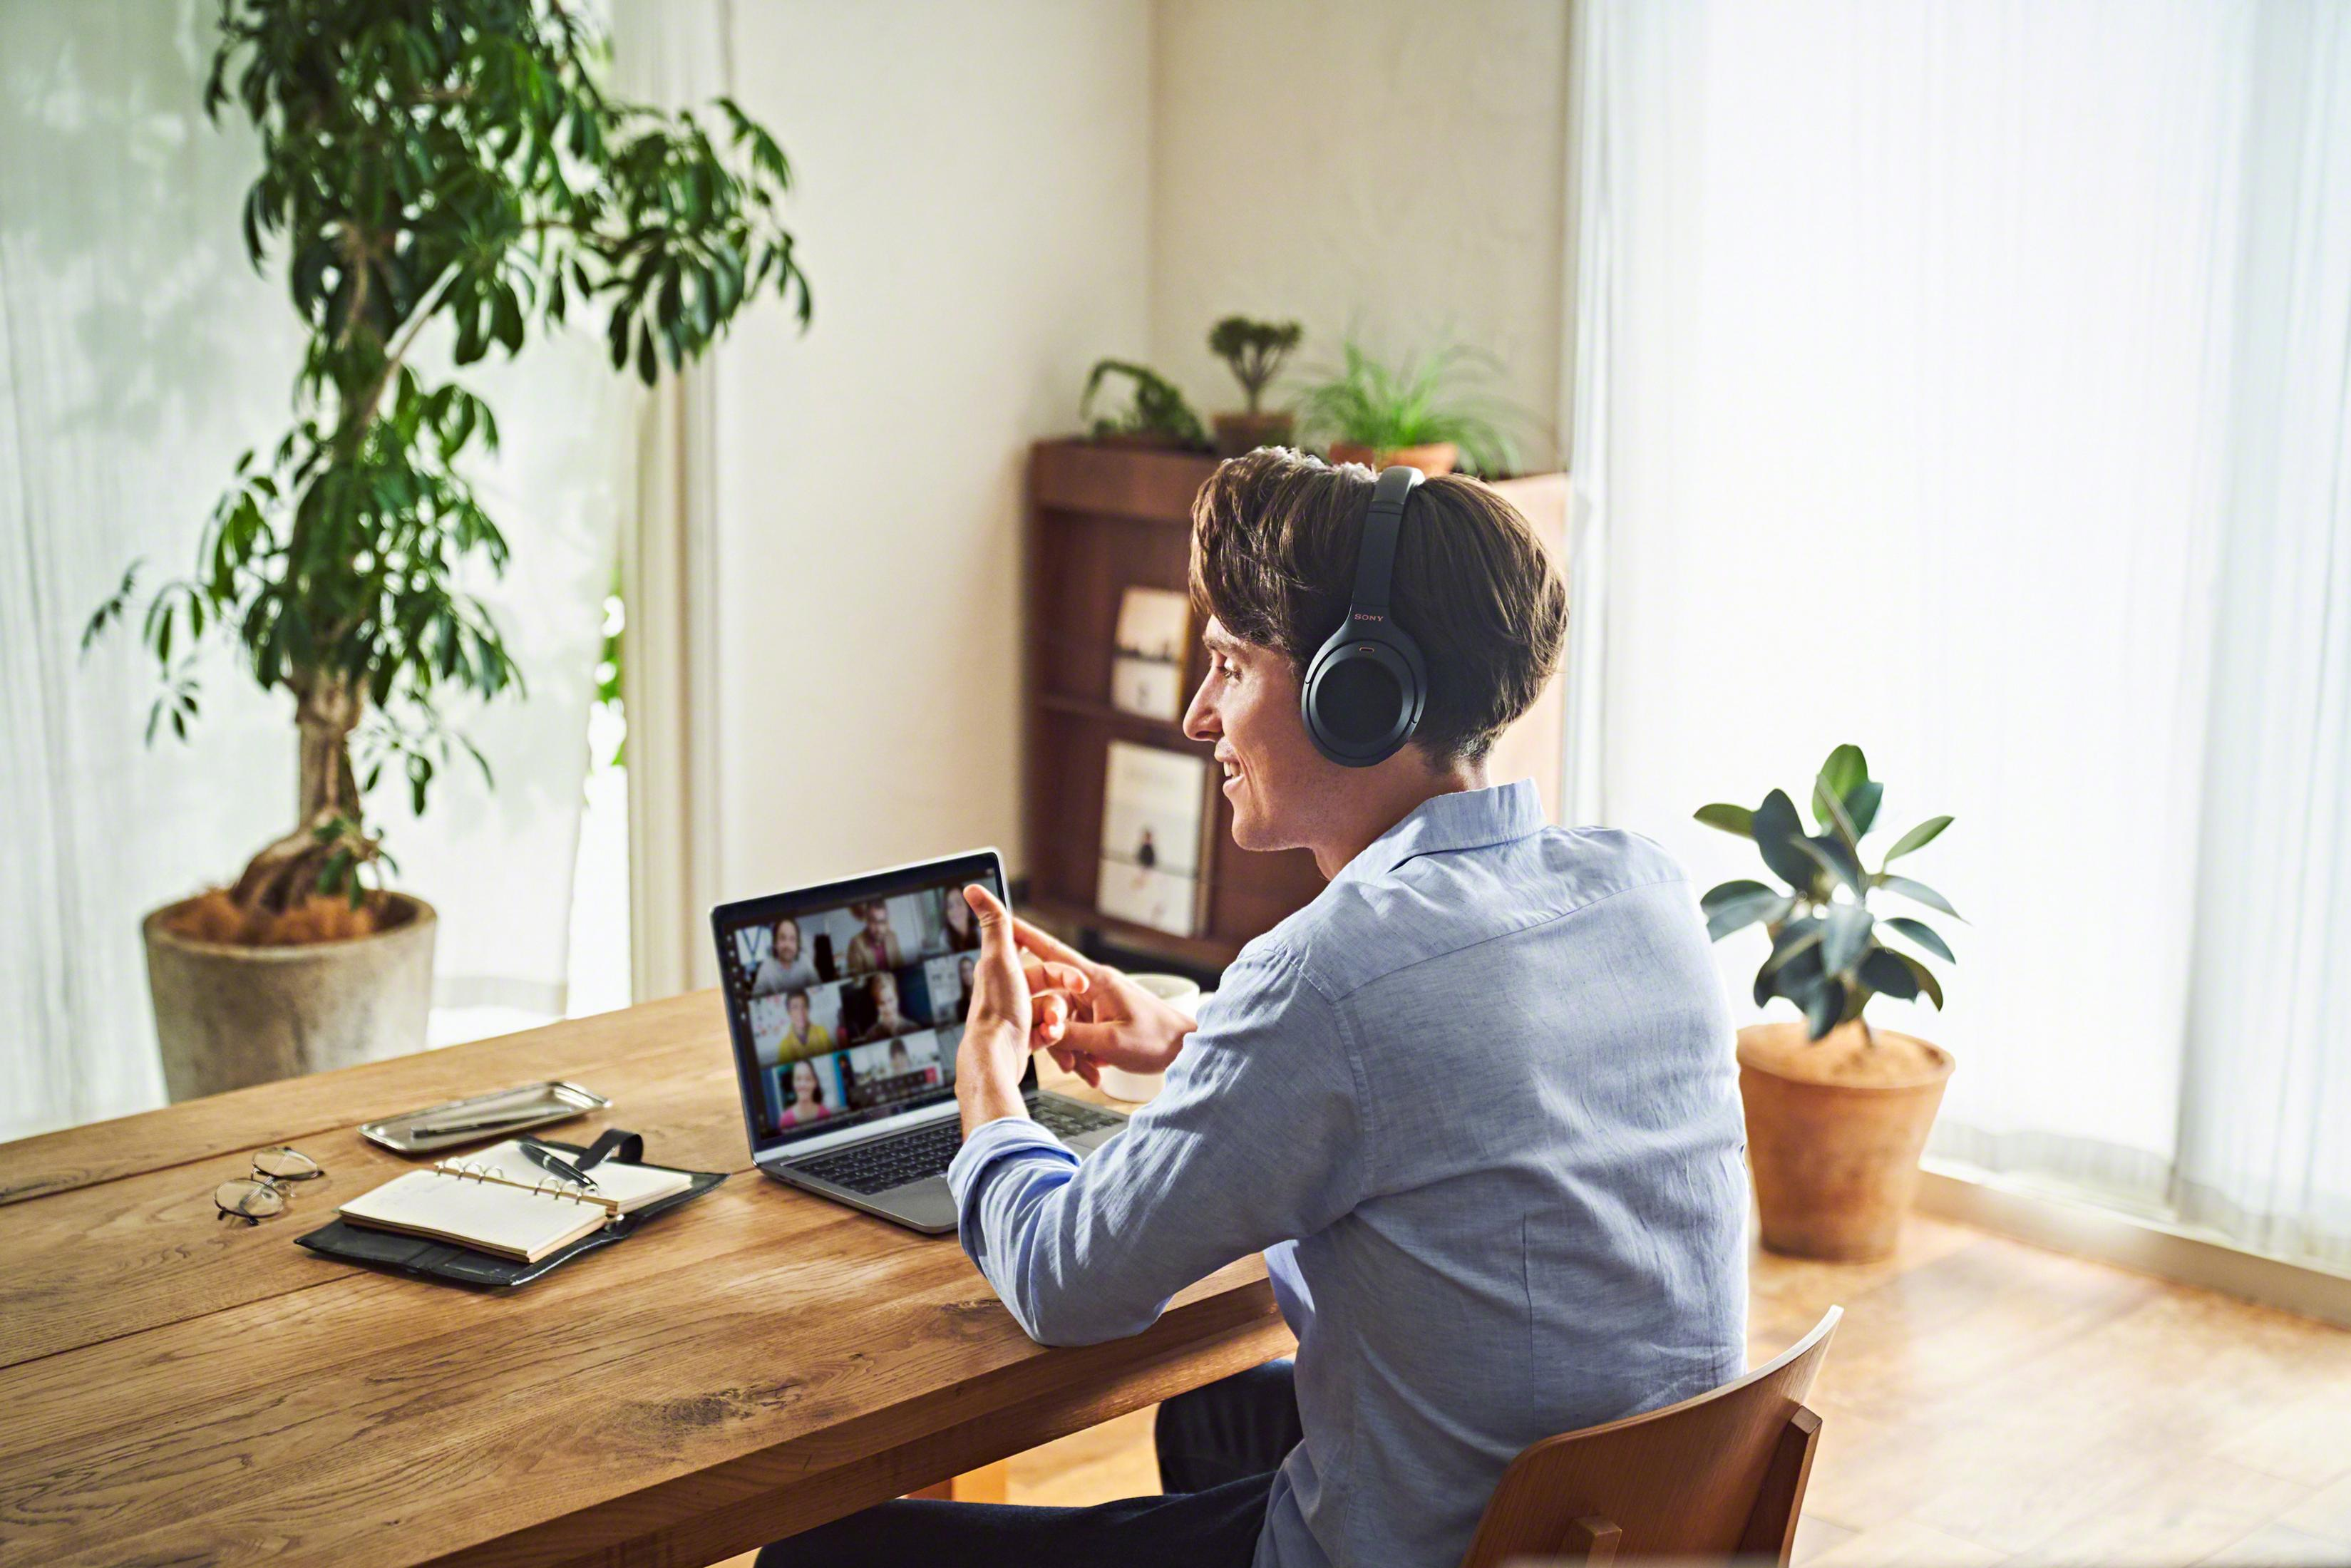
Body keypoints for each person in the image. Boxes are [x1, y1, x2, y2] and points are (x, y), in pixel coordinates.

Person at [758, 450, 1746, 1568]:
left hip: (1439, 1551)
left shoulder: (1328, 979)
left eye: (1228, 664)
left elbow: (1062, 1279)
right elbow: (1458, 1079)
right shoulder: (1641, 887)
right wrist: (1193, 1038)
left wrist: (987, 1086)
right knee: (1218, 1417)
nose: (1196, 716)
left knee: (826, 1559)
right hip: (1620, 1525)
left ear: (1359, 692)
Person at [751, 917, 818, 995]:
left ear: (797, 944)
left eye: (792, 939)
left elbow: (819, 988)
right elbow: (756, 998)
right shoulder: (766, 967)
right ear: (775, 943)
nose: (787, 945)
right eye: (783, 938)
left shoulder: (805, 960)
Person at [853, 971, 922, 1043]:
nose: (888, 1008)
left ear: (897, 999)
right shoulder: (870, 1035)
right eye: (882, 1003)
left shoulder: (914, 1029)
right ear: (877, 1006)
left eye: (890, 1000)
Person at [844, 900, 906, 975]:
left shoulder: (892, 937)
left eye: (882, 922)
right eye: (874, 921)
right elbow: (857, 981)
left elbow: (901, 968)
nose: (879, 928)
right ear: (867, 921)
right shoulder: (856, 944)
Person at [776, 988, 832, 1061]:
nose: (801, 1013)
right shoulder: (784, 1046)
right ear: (789, 1013)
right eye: (795, 1007)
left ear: (809, 1009)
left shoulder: (822, 1032)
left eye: (804, 1006)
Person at [777, 1058, 828, 1128]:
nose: (803, 1084)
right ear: (793, 1083)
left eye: (808, 1079)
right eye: (798, 1079)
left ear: (815, 1083)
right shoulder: (785, 1120)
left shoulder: (825, 1114)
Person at [940, 888, 983, 953]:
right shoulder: (945, 938)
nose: (955, 910)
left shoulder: (981, 932)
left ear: (968, 907)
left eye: (959, 903)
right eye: (950, 906)